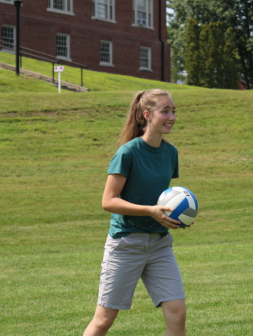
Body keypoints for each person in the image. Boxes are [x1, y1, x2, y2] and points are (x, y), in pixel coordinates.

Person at [83, 89, 191, 336]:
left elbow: (163, 197)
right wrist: (150, 211)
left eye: (173, 111)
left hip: (159, 244)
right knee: (103, 320)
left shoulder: (170, 153)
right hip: (126, 244)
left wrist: (177, 216)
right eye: (165, 111)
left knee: (178, 315)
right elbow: (108, 201)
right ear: (147, 115)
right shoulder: (128, 153)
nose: (172, 116)